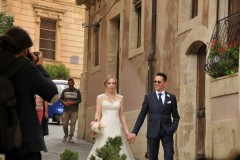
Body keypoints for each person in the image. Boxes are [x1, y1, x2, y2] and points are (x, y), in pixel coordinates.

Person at [0, 26, 58, 160]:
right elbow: (53, 95)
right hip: (24, 143)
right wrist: (39, 66)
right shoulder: (25, 68)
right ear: (25, 50)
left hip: (3, 138)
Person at [129, 72, 180, 160]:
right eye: (155, 82)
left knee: (169, 156)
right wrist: (134, 132)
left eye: (159, 82)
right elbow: (142, 115)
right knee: (153, 157)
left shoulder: (171, 98)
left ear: (165, 83)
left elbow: (176, 116)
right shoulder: (148, 97)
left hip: (167, 131)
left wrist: (173, 128)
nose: (156, 83)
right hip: (153, 131)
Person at [87, 75, 135, 160]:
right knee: (103, 148)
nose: (111, 85)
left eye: (113, 83)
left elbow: (122, 115)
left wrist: (127, 131)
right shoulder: (100, 97)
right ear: (105, 85)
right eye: (109, 83)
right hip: (104, 126)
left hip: (116, 126)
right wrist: (96, 125)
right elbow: (98, 114)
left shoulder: (120, 98)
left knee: (118, 149)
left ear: (116, 85)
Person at [60, 78, 81, 143]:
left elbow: (79, 100)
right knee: (65, 124)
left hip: (74, 110)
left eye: (71, 83)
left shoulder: (77, 91)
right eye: (69, 83)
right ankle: (66, 135)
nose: (70, 84)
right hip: (66, 110)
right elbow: (60, 99)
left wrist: (72, 102)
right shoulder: (64, 91)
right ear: (68, 84)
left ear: (74, 83)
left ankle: (70, 137)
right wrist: (64, 102)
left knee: (73, 124)